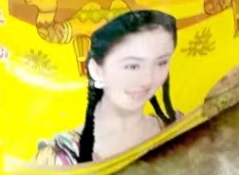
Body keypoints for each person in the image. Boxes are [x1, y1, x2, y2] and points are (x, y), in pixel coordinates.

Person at [36, 10, 179, 166]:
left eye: (161, 63)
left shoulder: (175, 127)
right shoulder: (59, 158)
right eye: (132, 66)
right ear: (96, 70)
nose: (148, 79)